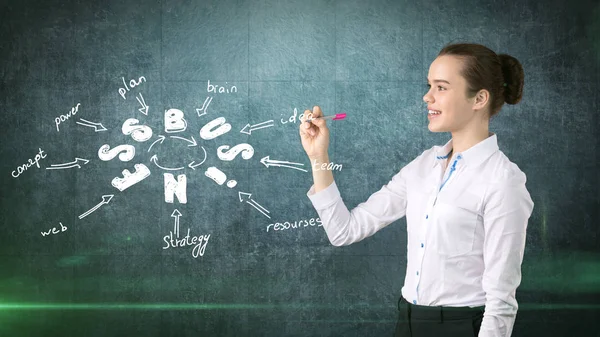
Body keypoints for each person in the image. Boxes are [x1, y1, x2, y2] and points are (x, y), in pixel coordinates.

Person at [298, 42, 534, 337]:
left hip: (463, 327)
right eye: (429, 85)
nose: (427, 96)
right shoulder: (423, 166)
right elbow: (343, 231)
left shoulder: (503, 181)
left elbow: (501, 301)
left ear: (479, 98)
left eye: (442, 87)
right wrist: (318, 156)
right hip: (407, 322)